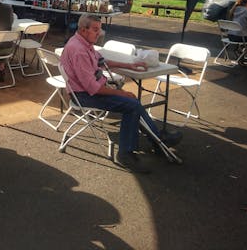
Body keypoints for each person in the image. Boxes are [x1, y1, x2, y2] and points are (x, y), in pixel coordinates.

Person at [60, 14, 182, 173]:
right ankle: (127, 153)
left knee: (133, 103)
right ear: (84, 30)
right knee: (131, 104)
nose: (99, 33)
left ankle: (158, 140)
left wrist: (130, 66)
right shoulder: (79, 50)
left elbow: (102, 62)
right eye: (95, 29)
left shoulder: (83, 43)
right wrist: (121, 93)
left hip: (86, 91)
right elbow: (93, 88)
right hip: (84, 95)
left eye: (100, 29)